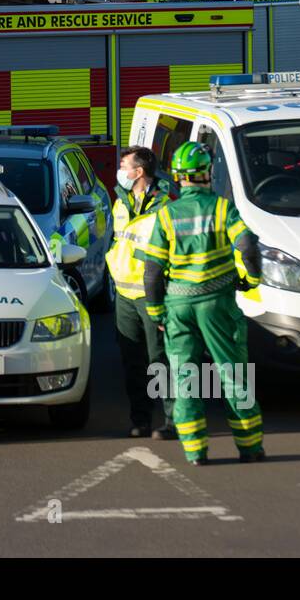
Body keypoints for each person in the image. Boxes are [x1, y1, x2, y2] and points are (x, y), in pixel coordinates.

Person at [138, 142, 263, 466]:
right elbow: (248, 246)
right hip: (217, 304)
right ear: (207, 173)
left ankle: (195, 452)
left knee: (185, 377)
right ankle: (249, 448)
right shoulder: (222, 209)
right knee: (233, 374)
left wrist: (156, 313)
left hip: (178, 306)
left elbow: (152, 273)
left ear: (178, 178)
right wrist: (252, 280)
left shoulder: (165, 215)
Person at [104, 146, 177, 439]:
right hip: (124, 294)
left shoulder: (167, 206)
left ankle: (172, 421)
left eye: (124, 166)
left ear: (139, 172)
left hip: (153, 295)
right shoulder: (120, 203)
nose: (120, 171)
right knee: (133, 361)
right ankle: (141, 420)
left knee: (160, 358)